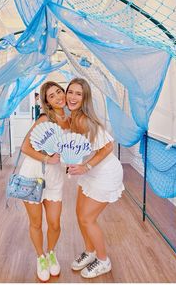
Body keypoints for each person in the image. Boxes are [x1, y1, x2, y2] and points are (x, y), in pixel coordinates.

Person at [66, 78, 124, 279]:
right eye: (70, 92)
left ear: (85, 98)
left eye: (78, 94)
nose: (72, 97)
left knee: (87, 218)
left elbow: (108, 147)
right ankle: (90, 252)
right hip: (91, 171)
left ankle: (103, 260)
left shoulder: (84, 120)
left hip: (105, 172)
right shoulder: (72, 117)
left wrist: (86, 166)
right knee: (78, 213)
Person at [20, 81, 70, 282]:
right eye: (52, 95)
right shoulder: (44, 119)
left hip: (55, 177)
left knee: (55, 223)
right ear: (47, 102)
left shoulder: (70, 120)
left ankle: (51, 252)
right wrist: (47, 158)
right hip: (32, 174)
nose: (58, 97)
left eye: (59, 91)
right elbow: (25, 147)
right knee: (36, 222)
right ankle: (40, 257)